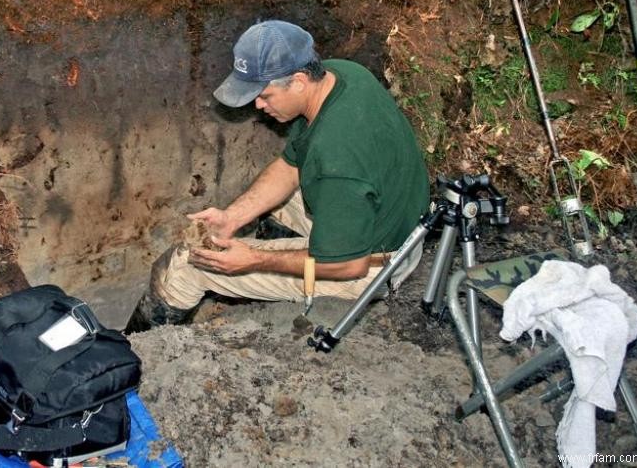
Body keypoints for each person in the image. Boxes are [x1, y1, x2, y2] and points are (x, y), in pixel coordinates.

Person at [125, 20, 430, 332]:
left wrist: (255, 260)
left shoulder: (338, 158)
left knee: (185, 265)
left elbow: (348, 264)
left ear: (298, 80)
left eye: (264, 95)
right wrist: (232, 216)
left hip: (372, 267)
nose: (258, 105)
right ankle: (264, 293)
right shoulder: (342, 75)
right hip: (389, 221)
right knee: (272, 207)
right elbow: (290, 166)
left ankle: (136, 349)